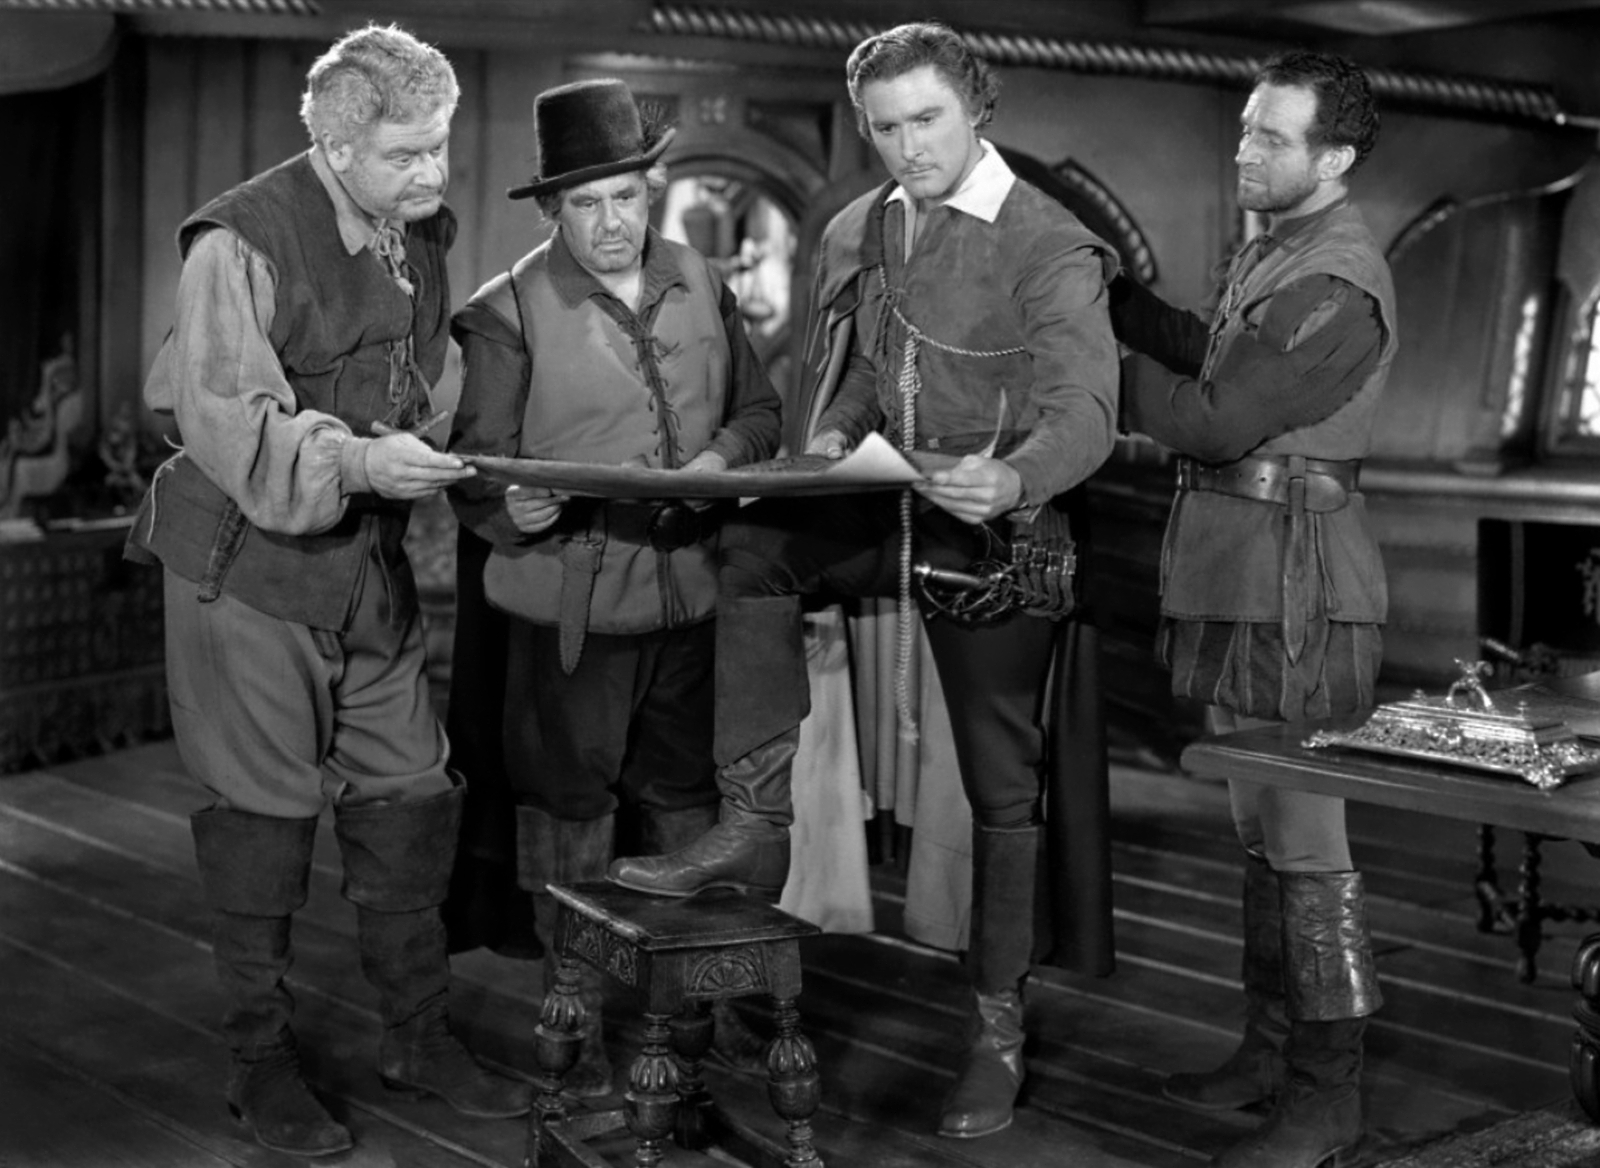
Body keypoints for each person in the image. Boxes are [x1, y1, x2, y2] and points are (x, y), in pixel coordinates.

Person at [609, 22, 1120, 1139]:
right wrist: (837, 434)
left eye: (926, 119)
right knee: (753, 551)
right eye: (885, 128)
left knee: (1002, 787)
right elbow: (862, 375)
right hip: (883, 497)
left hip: (997, 521)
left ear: (978, 107)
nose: (907, 146)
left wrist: (1015, 477)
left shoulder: (1050, 242)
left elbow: (1087, 410)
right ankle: (755, 818)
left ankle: (997, 1031)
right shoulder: (861, 227)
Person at [124, 24, 530, 1158]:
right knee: (262, 819)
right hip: (245, 567)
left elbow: (420, 379)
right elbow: (225, 420)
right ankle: (259, 1063)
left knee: (411, 795)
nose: (433, 171)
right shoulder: (240, 241)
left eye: (439, 145)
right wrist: (359, 461)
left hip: (365, 564)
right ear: (336, 147)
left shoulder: (419, 227)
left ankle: (419, 1034)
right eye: (406, 154)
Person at [446, 78, 782, 1095]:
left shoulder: (701, 278)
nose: (610, 223)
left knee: (685, 802)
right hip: (571, 611)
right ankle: (576, 1013)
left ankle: (691, 1008)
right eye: (586, 203)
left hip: (693, 598)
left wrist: (719, 462)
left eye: (626, 197)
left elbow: (761, 413)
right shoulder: (503, 312)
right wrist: (513, 509)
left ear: (651, 191)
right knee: (569, 807)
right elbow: (476, 472)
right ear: (553, 208)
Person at [1111, 50, 1393, 1168]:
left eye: (1271, 137)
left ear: (1335, 157)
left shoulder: (1340, 280)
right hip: (1240, 573)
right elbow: (1210, 350)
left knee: (1307, 843)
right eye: (1244, 129)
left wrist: (1093, 367)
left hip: (1301, 586)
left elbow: (1218, 418)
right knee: (1258, 831)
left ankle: (1327, 1100)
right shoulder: (1276, 251)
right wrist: (1113, 298)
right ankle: (1269, 1054)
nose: (1244, 151)